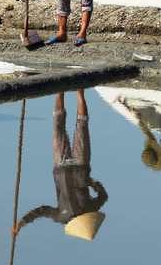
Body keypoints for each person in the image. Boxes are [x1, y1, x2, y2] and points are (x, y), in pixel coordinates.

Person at [12, 91, 108, 240]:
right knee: (82, 125)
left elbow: (42, 211)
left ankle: (60, 92)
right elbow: (103, 196)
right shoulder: (91, 209)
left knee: (58, 128)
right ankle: (80, 94)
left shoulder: (61, 217)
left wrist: (22, 223)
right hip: (80, 164)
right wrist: (93, 183)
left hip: (61, 165)